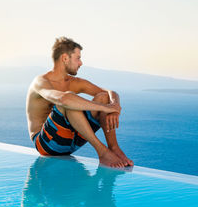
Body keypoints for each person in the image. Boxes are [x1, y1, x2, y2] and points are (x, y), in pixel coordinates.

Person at [25, 37, 133, 168]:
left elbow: (110, 93)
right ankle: (102, 152)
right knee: (69, 100)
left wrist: (114, 107)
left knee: (103, 97)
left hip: (71, 142)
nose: (81, 63)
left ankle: (114, 148)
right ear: (65, 58)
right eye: (78, 58)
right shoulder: (41, 82)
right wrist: (105, 108)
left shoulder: (74, 82)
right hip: (47, 144)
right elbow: (63, 99)